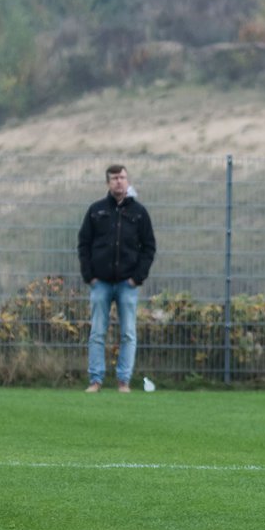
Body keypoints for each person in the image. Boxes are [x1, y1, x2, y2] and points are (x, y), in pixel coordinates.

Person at [77, 164, 156, 393]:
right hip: (100, 283)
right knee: (97, 332)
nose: (118, 181)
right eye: (114, 178)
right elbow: (83, 244)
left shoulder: (139, 213)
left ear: (127, 181)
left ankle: (124, 381)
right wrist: (89, 275)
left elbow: (149, 247)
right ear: (108, 182)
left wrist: (137, 277)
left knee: (128, 333)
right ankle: (96, 380)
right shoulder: (96, 210)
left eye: (122, 177)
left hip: (127, 284)